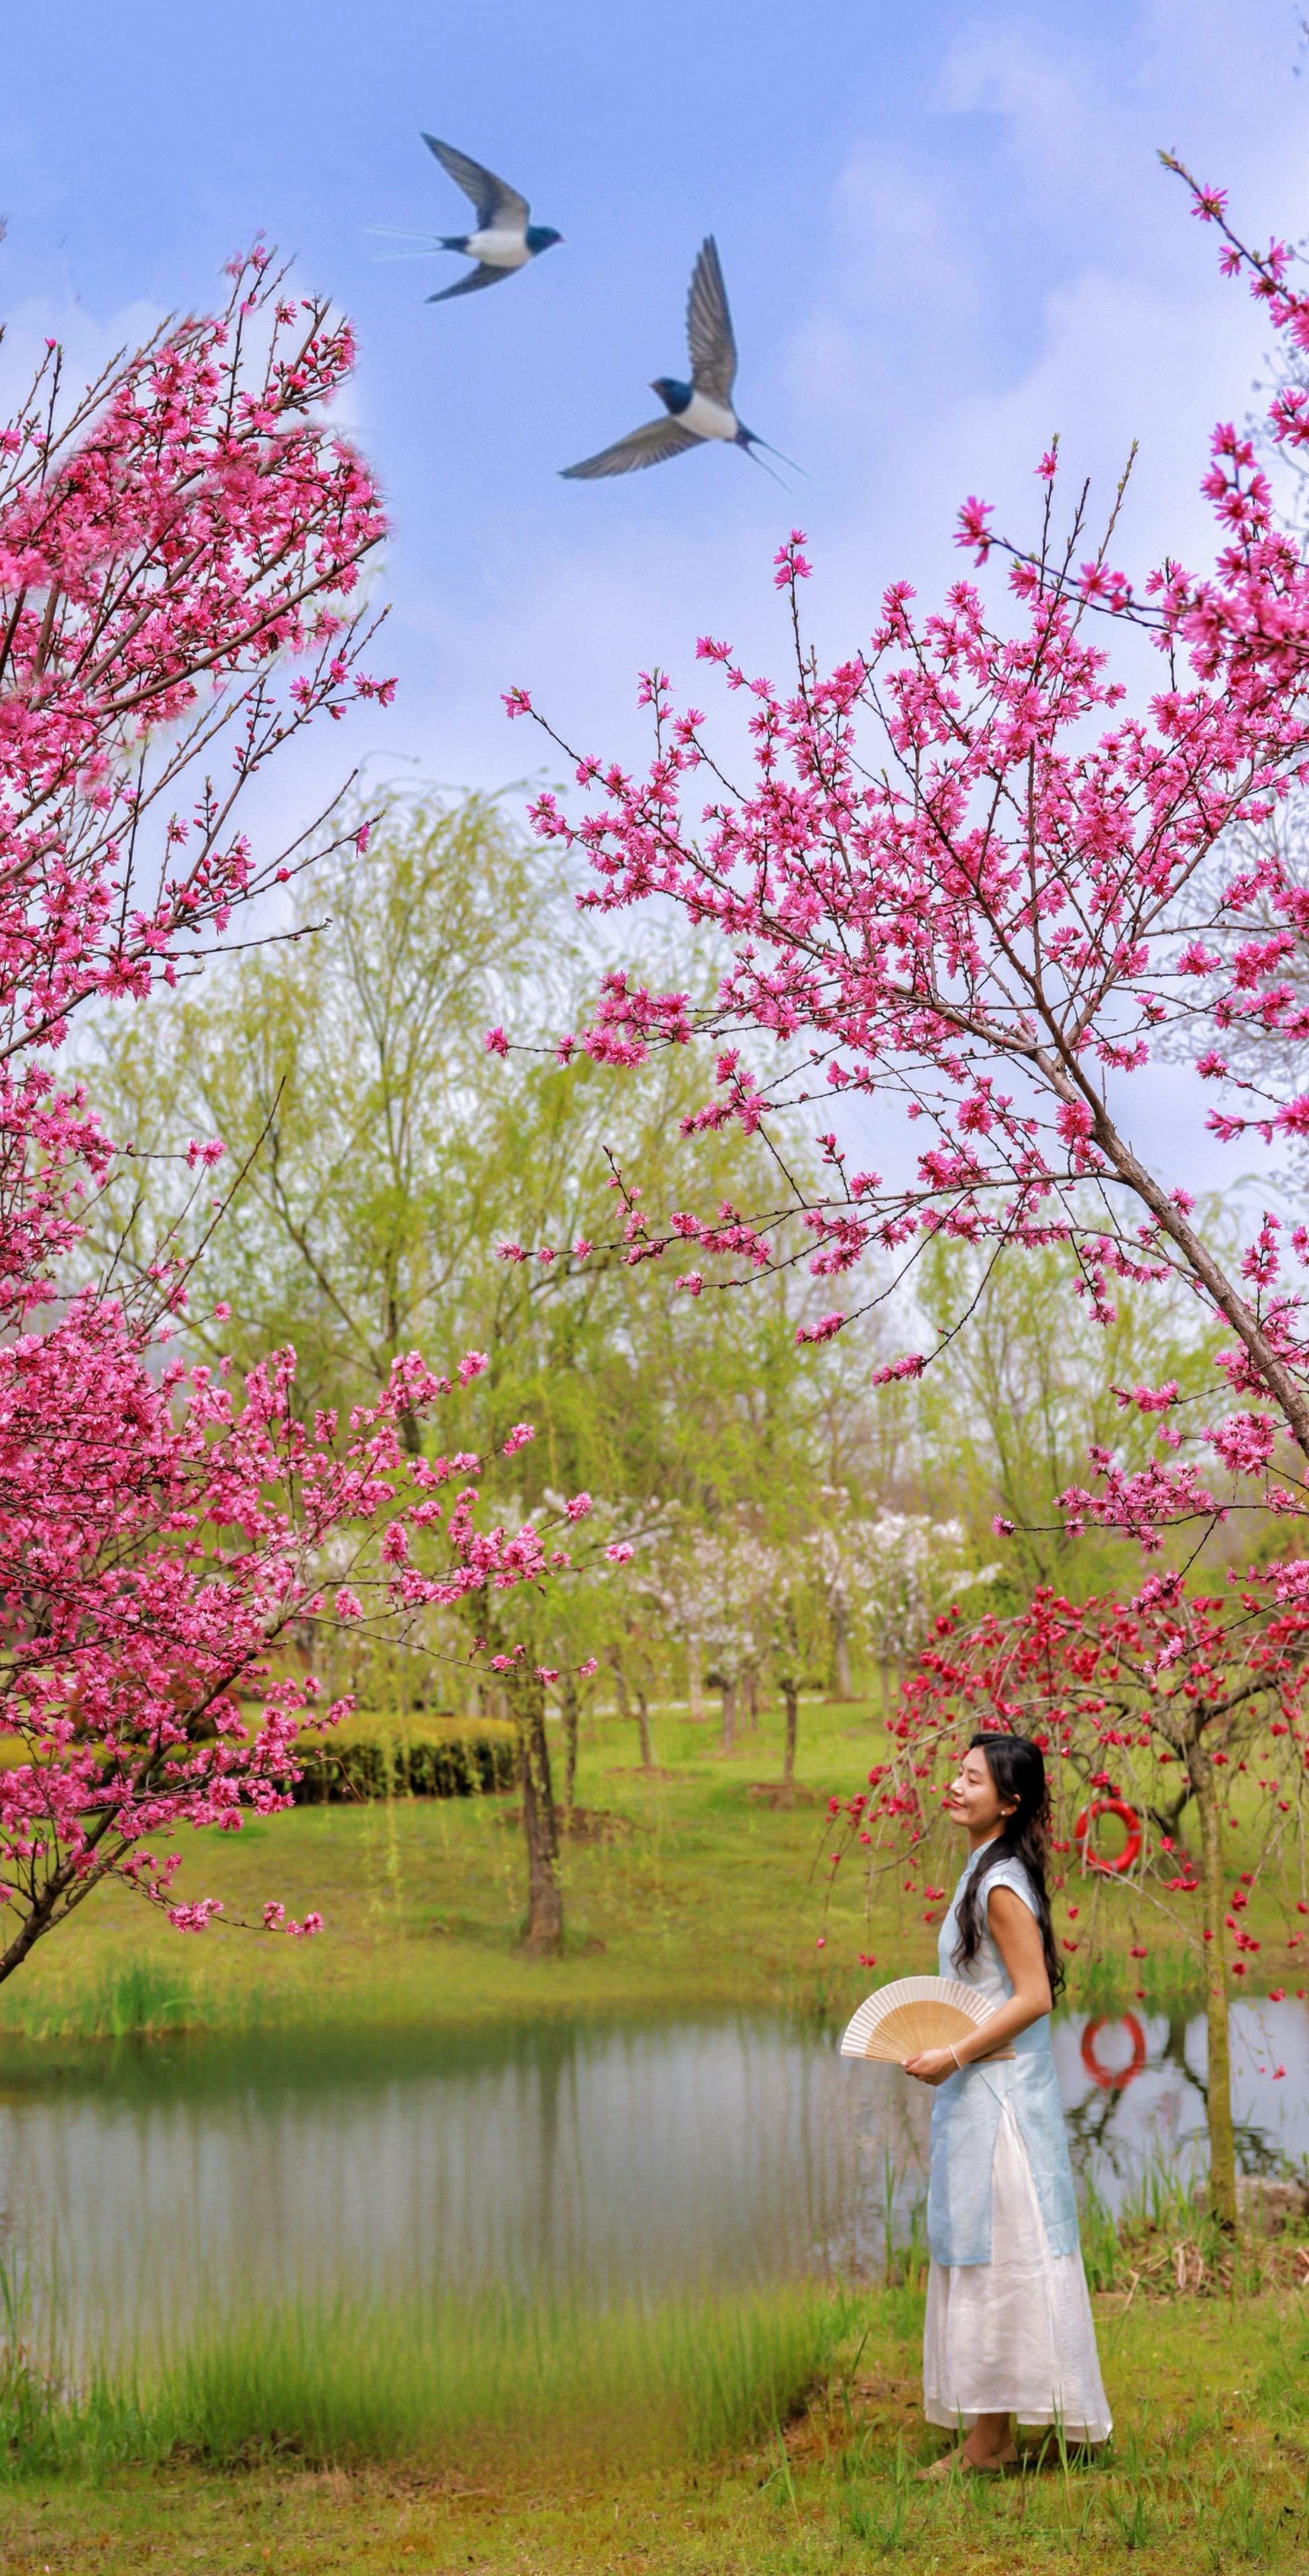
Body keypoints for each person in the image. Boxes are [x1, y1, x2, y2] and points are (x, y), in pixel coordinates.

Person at [903, 1729, 1111, 2475]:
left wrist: (952, 2052)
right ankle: (993, 2434)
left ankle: (989, 2445)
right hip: (980, 2091)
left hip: (998, 2102)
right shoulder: (982, 1870)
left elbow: (1034, 1996)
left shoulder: (996, 1886)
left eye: (971, 1780)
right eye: (955, 1775)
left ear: (1009, 1801)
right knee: (988, 2254)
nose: (953, 1788)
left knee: (1003, 2258)